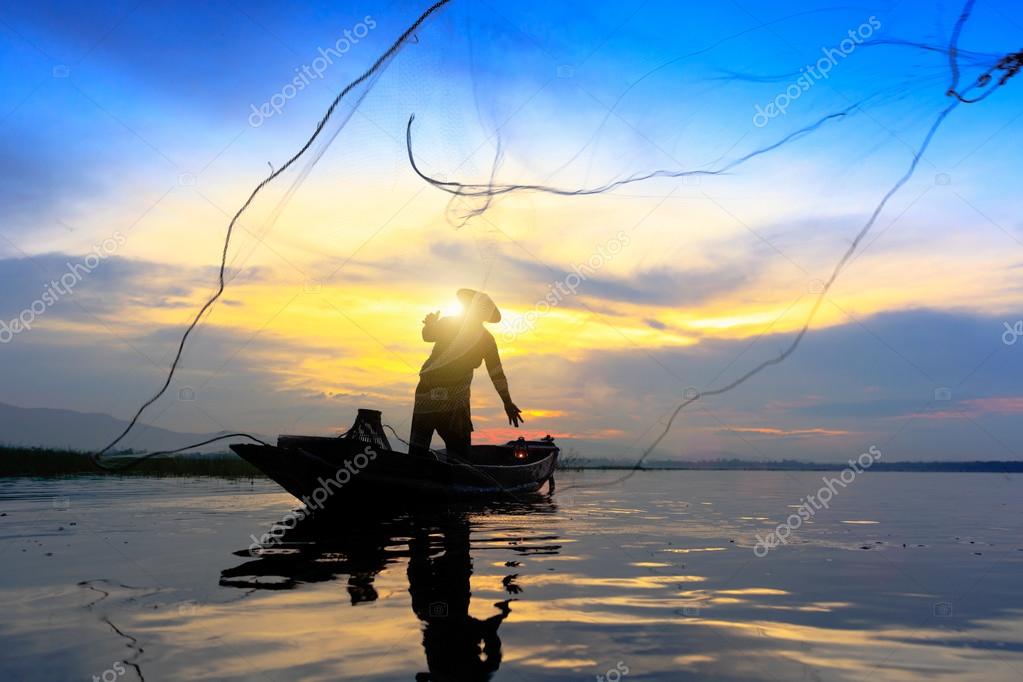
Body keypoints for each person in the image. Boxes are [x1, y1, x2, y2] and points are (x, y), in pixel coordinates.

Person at [409, 289, 522, 460]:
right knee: (459, 456)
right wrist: (507, 402)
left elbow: (427, 335)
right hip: (446, 400)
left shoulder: (453, 325)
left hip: (433, 395)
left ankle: (420, 473)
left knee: (419, 453)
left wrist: (430, 324)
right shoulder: (484, 338)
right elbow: (497, 374)